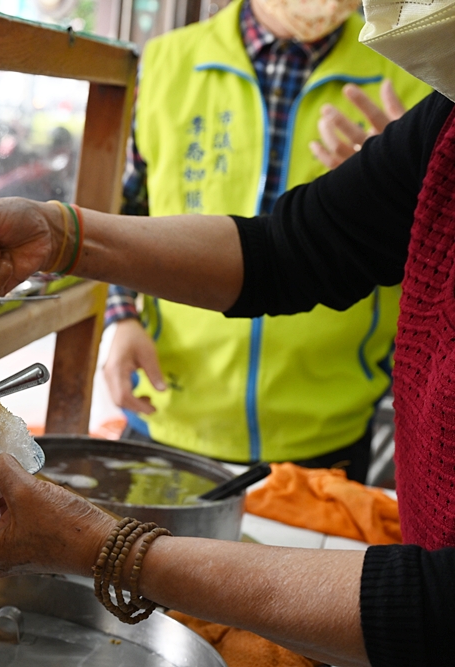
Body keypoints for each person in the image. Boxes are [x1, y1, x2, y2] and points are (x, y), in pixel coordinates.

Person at [0, 81, 455, 666]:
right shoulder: (445, 120)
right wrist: (60, 235)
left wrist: (107, 551)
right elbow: (292, 248)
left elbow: (438, 610)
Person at [101, 0, 432, 481]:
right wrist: (121, 315)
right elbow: (127, 206)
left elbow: (433, 254)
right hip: (170, 409)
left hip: (329, 426)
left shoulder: (411, 71)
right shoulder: (165, 61)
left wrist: (394, 186)